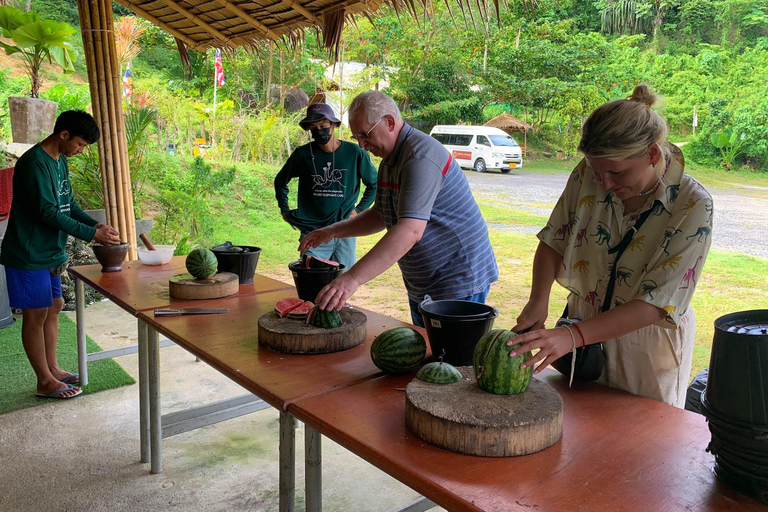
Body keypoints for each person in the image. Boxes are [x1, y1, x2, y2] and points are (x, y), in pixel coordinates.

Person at [509, 85, 713, 407]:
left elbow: (657, 302)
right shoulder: (591, 173)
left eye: (617, 173)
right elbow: (554, 238)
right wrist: (538, 301)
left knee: (640, 445)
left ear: (653, 155)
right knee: (578, 429)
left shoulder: (693, 205)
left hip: (646, 341)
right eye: (595, 170)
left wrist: (573, 337)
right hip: (579, 327)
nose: (604, 184)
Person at [299, 91, 498, 326]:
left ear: (390, 122)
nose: (361, 144)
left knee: (450, 360)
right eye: (356, 136)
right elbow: (381, 215)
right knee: (428, 353)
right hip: (424, 282)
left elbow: (410, 231)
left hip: (457, 279)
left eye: (365, 134)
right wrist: (332, 231)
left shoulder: (419, 157)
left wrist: (350, 279)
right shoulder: (390, 159)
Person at [1, 110, 121, 400]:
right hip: (29, 253)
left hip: (51, 251)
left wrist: (96, 224)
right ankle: (44, 381)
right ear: (63, 134)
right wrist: (92, 235)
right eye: (80, 144)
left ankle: (53, 368)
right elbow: (47, 212)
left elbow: (68, 204)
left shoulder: (60, 162)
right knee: (35, 314)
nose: (81, 150)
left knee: (54, 305)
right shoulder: (33, 163)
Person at [275, 103, 377, 270]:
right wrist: (284, 210)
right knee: (312, 278)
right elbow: (280, 181)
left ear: (334, 125)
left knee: (343, 279)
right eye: (314, 127)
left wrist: (359, 210)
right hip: (313, 231)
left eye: (323, 126)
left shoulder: (354, 153)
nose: (319, 131)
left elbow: (374, 184)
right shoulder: (303, 154)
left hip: (345, 229)